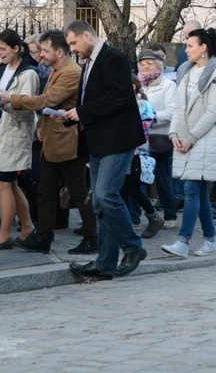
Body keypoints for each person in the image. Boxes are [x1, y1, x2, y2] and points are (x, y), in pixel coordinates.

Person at [1, 29, 98, 255]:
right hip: (52, 140)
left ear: (60, 52)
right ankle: (44, 237)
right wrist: (39, 127)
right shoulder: (57, 70)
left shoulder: (71, 72)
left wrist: (11, 98)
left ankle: (92, 237)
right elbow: (49, 107)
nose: (41, 55)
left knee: (77, 190)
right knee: (45, 190)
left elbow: (48, 100)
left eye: (45, 50)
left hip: (68, 142)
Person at [63, 20, 147, 281]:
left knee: (106, 195)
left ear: (87, 35)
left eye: (74, 43)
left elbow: (119, 96)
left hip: (118, 139)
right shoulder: (87, 64)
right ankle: (105, 264)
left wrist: (83, 112)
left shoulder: (113, 58)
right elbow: (89, 101)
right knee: (100, 203)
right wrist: (71, 116)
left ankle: (133, 247)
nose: (73, 49)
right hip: (97, 141)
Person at [162, 28, 216, 258]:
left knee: (191, 189)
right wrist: (173, 135)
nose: (186, 50)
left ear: (204, 48)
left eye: (190, 45)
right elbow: (179, 108)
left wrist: (190, 139)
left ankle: (184, 241)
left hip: (206, 138)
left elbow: (213, 112)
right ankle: (210, 240)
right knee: (198, 193)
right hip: (185, 139)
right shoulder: (186, 71)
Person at [0, 29, 37, 249]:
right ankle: (27, 227)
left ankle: (4, 234)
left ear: (16, 49)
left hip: (15, 134)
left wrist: (4, 103)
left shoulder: (28, 73)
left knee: (3, 183)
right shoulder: (3, 70)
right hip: (1, 132)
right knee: (10, 183)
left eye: (3, 49)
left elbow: (28, 108)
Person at [137, 49, 178, 228]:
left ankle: (170, 216)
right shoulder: (136, 83)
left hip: (159, 137)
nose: (146, 66)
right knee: (138, 179)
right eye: (142, 63)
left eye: (150, 63)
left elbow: (172, 110)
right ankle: (137, 217)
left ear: (159, 65)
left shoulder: (168, 84)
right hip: (139, 138)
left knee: (162, 179)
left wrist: (150, 119)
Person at [121, 74, 164, 238]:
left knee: (131, 186)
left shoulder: (143, 105)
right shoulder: (129, 103)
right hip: (126, 153)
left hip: (137, 153)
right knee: (124, 188)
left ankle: (152, 217)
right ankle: (129, 223)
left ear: (132, 86)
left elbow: (145, 124)